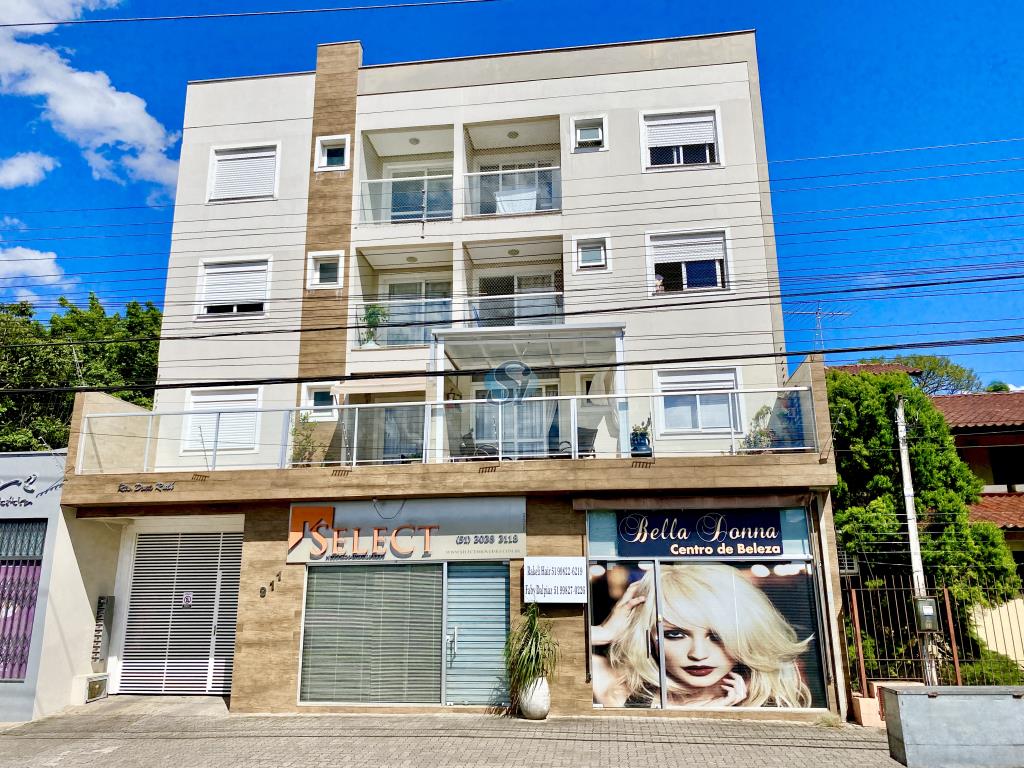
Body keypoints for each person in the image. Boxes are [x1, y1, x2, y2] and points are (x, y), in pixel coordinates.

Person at [591, 562, 813, 708]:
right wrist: (603, 633)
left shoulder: (768, 703)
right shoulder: (620, 694)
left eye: (717, 636)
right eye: (675, 634)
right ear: (650, 637)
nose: (698, 654)